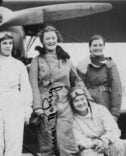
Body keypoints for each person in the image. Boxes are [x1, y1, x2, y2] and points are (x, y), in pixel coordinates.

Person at [29, 25, 89, 156]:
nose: (51, 41)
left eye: (53, 38)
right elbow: (33, 85)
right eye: (47, 38)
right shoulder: (37, 61)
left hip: (65, 105)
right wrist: (37, 107)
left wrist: (88, 100)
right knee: (47, 146)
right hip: (45, 106)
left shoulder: (66, 60)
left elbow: (77, 81)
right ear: (43, 41)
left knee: (67, 145)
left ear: (57, 39)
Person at [76, 34, 122, 121]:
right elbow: (78, 87)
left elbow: (117, 89)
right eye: (95, 45)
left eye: (100, 45)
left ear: (104, 46)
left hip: (104, 102)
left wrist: (114, 113)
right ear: (90, 47)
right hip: (87, 103)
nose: (98, 47)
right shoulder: (82, 65)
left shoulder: (110, 64)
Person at [70, 88, 124, 156]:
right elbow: (79, 139)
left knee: (118, 144)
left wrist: (104, 141)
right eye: (76, 101)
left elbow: (114, 130)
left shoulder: (100, 109)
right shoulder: (72, 119)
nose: (81, 103)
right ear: (72, 104)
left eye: (82, 99)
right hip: (89, 147)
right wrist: (94, 145)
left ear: (86, 99)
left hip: (105, 141)